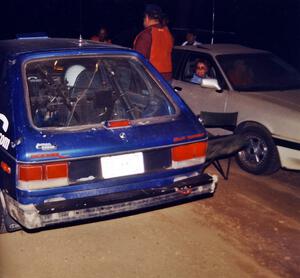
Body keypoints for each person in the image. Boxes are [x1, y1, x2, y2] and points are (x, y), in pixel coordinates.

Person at [133, 4, 173, 81]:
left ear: (147, 17)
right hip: (166, 80)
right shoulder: (168, 33)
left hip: (151, 79)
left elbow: (138, 61)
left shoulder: (146, 34)